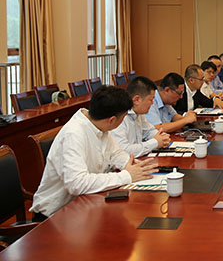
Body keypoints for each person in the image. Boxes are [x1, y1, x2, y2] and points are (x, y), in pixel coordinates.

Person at [30, 85, 158, 219]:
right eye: (123, 117)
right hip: (55, 214)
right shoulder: (74, 134)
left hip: (85, 203)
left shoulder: (99, 124)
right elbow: (77, 184)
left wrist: (130, 165)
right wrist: (126, 176)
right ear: (111, 120)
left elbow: (115, 153)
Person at [110, 76, 171, 157]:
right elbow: (123, 151)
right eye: (150, 99)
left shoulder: (139, 113)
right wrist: (155, 142)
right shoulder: (119, 116)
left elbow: (149, 131)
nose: (152, 103)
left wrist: (162, 138)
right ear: (137, 100)